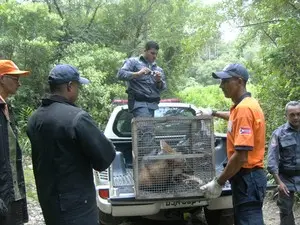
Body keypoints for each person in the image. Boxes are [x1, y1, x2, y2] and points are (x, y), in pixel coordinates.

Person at [26, 64, 116, 225]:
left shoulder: (35, 118)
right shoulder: (76, 118)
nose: (78, 90)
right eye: (77, 86)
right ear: (69, 86)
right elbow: (104, 158)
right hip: (77, 206)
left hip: (49, 203)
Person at [199, 63, 267, 225]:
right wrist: (213, 113)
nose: (221, 85)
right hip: (248, 178)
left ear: (239, 81)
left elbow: (241, 156)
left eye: (225, 81)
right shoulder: (245, 106)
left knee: (249, 221)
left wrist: (219, 182)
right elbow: (233, 118)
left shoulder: (243, 109)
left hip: (248, 178)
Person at [0, 60, 29, 225]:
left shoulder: (6, 108)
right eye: (15, 78)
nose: (19, 83)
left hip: (13, 193)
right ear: (2, 78)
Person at [267, 100, 300, 225]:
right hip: (286, 178)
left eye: (298, 114)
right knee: (285, 211)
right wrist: (279, 182)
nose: (296, 117)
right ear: (286, 116)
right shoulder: (279, 134)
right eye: (292, 114)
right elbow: (272, 159)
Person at [117, 40, 166, 117]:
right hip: (138, 103)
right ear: (145, 51)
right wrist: (138, 74)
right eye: (152, 53)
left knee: (148, 128)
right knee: (146, 127)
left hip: (153, 105)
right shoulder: (133, 62)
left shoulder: (158, 69)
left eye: (156, 54)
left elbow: (163, 88)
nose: (154, 56)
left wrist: (158, 81)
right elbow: (120, 74)